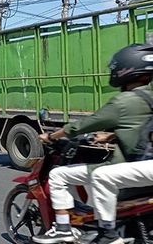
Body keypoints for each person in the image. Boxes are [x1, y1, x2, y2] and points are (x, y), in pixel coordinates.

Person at [32, 43, 153, 244]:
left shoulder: (123, 101)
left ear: (125, 69)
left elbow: (83, 125)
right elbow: (142, 126)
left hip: (132, 165)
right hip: (144, 162)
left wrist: (52, 136)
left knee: (58, 175)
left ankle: (65, 228)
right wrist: (111, 136)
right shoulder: (149, 97)